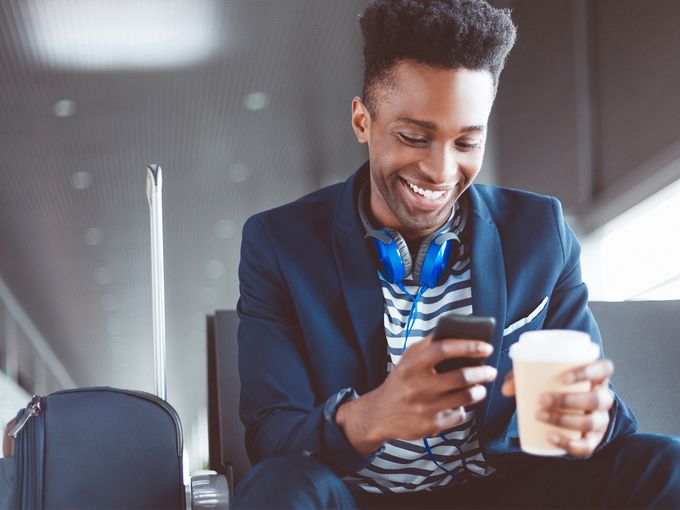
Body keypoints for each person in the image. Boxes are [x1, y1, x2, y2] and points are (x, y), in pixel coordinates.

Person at [233, 0, 680, 508]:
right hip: (358, 497)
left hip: (506, 491)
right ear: (363, 121)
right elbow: (272, 437)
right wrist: (372, 416)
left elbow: (595, 414)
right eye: (414, 137)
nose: (442, 170)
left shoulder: (539, 233)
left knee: (666, 461)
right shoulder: (280, 243)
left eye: (467, 142)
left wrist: (597, 415)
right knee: (278, 489)